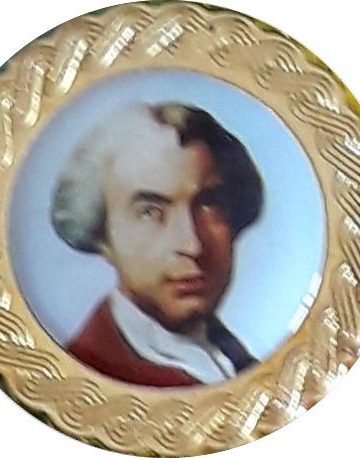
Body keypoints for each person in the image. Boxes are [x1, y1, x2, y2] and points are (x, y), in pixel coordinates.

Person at [51, 103, 264, 387]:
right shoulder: (85, 377)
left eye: (209, 204)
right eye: (150, 212)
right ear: (102, 236)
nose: (192, 245)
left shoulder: (240, 358)